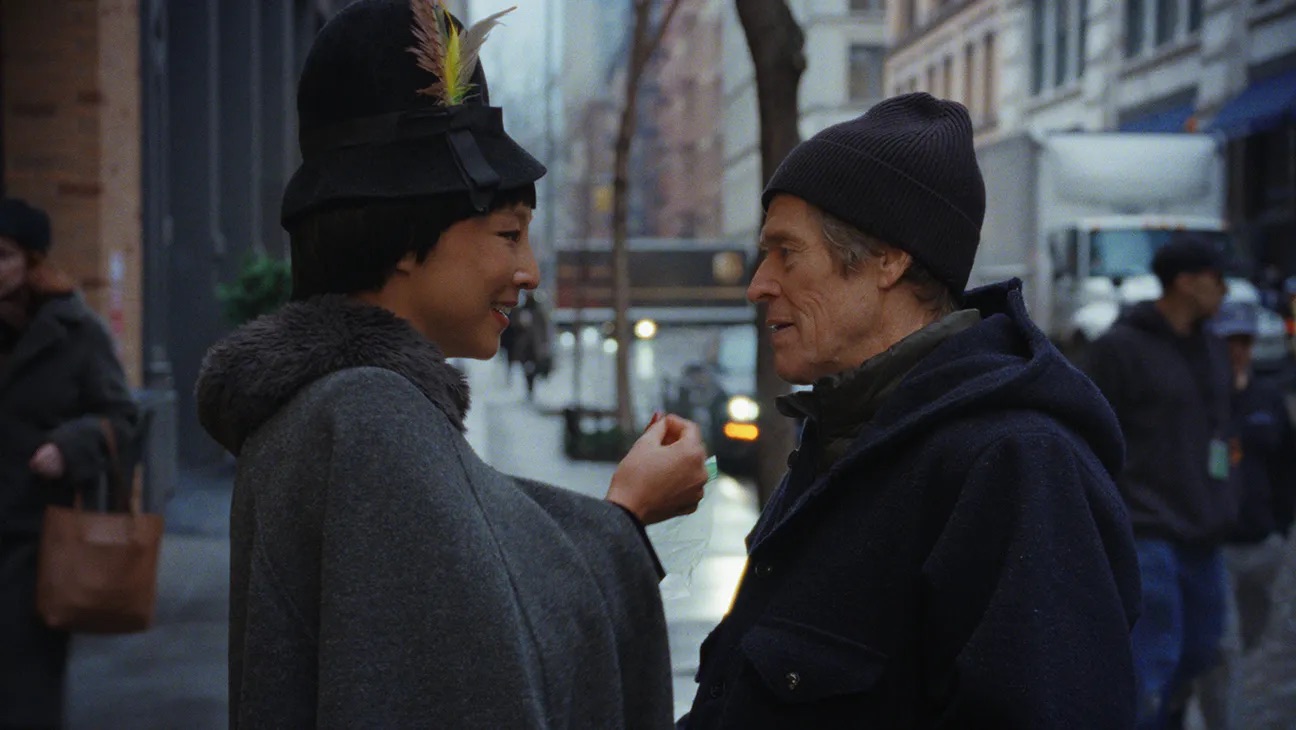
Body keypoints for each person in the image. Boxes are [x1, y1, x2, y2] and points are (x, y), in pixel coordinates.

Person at [194, 2, 708, 727]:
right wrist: (625, 520)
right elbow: (486, 664)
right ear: (406, 237)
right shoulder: (367, 419)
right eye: (507, 233)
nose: (528, 271)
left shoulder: (324, 408)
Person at [678, 93, 1141, 728]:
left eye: (787, 251)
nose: (759, 284)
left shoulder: (1016, 466)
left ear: (890, 258)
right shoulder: (847, 433)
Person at [1085, 236, 1236, 730]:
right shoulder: (1120, 348)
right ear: (1186, 282)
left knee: (1200, 652)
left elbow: (1220, 431)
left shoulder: (1213, 347)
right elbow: (1090, 434)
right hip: (1145, 529)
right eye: (1217, 279)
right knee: (1152, 661)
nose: (1225, 290)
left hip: (1204, 530)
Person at [0, 197, 139, 728]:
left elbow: (120, 416)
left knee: (24, 694)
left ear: (33, 263)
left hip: (34, 545)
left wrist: (70, 447)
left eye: (4, 255)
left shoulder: (75, 333)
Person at [1196, 300, 1295, 729]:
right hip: (1216, 547)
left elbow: (1286, 466)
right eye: (1229, 342)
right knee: (1226, 648)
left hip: (1264, 544)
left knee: (1255, 640)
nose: (1238, 351)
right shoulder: (1199, 399)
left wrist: (1282, 526)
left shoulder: (1268, 399)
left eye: (1244, 342)